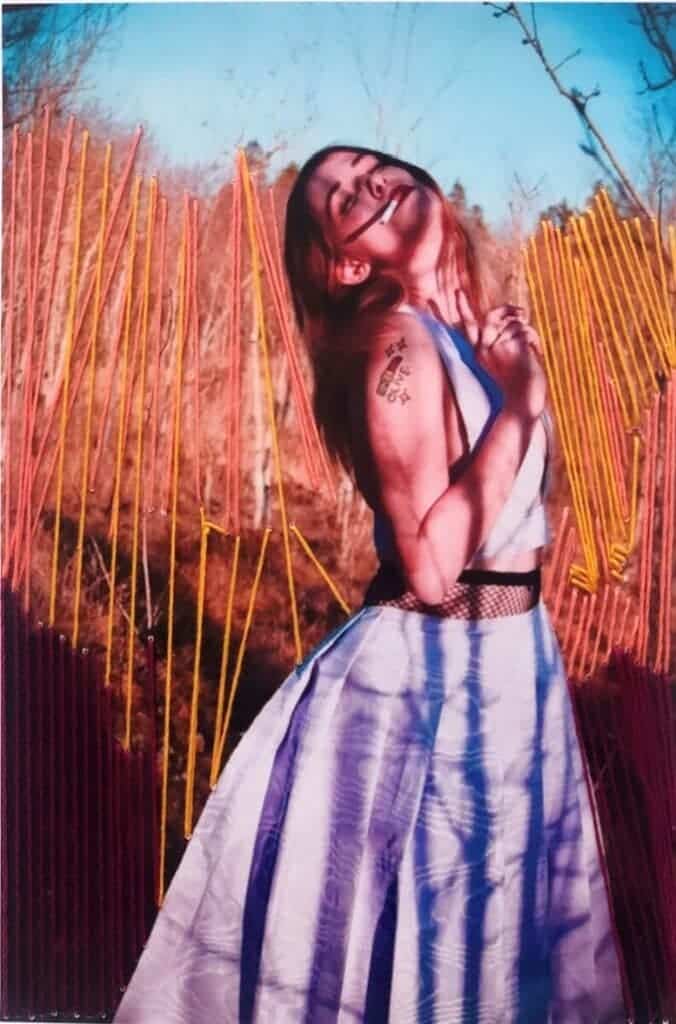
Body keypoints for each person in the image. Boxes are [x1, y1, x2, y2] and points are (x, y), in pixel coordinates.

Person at [115, 146, 625, 1023]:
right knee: (438, 941)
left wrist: (515, 388)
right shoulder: (399, 342)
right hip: (432, 683)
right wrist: (522, 405)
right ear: (349, 263)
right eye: (343, 199)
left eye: (369, 167)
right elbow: (430, 566)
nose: (369, 184)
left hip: (508, 662)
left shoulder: (470, 331)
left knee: (492, 940)